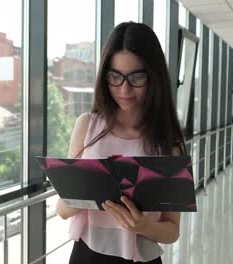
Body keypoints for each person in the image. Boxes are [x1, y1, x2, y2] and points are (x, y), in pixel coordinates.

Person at [57, 22, 186, 264]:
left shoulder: (168, 145)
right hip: (87, 254)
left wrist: (143, 225)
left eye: (136, 77)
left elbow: (172, 231)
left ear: (153, 77)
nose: (124, 89)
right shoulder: (87, 126)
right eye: (115, 76)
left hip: (141, 258)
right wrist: (85, 195)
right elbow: (62, 210)